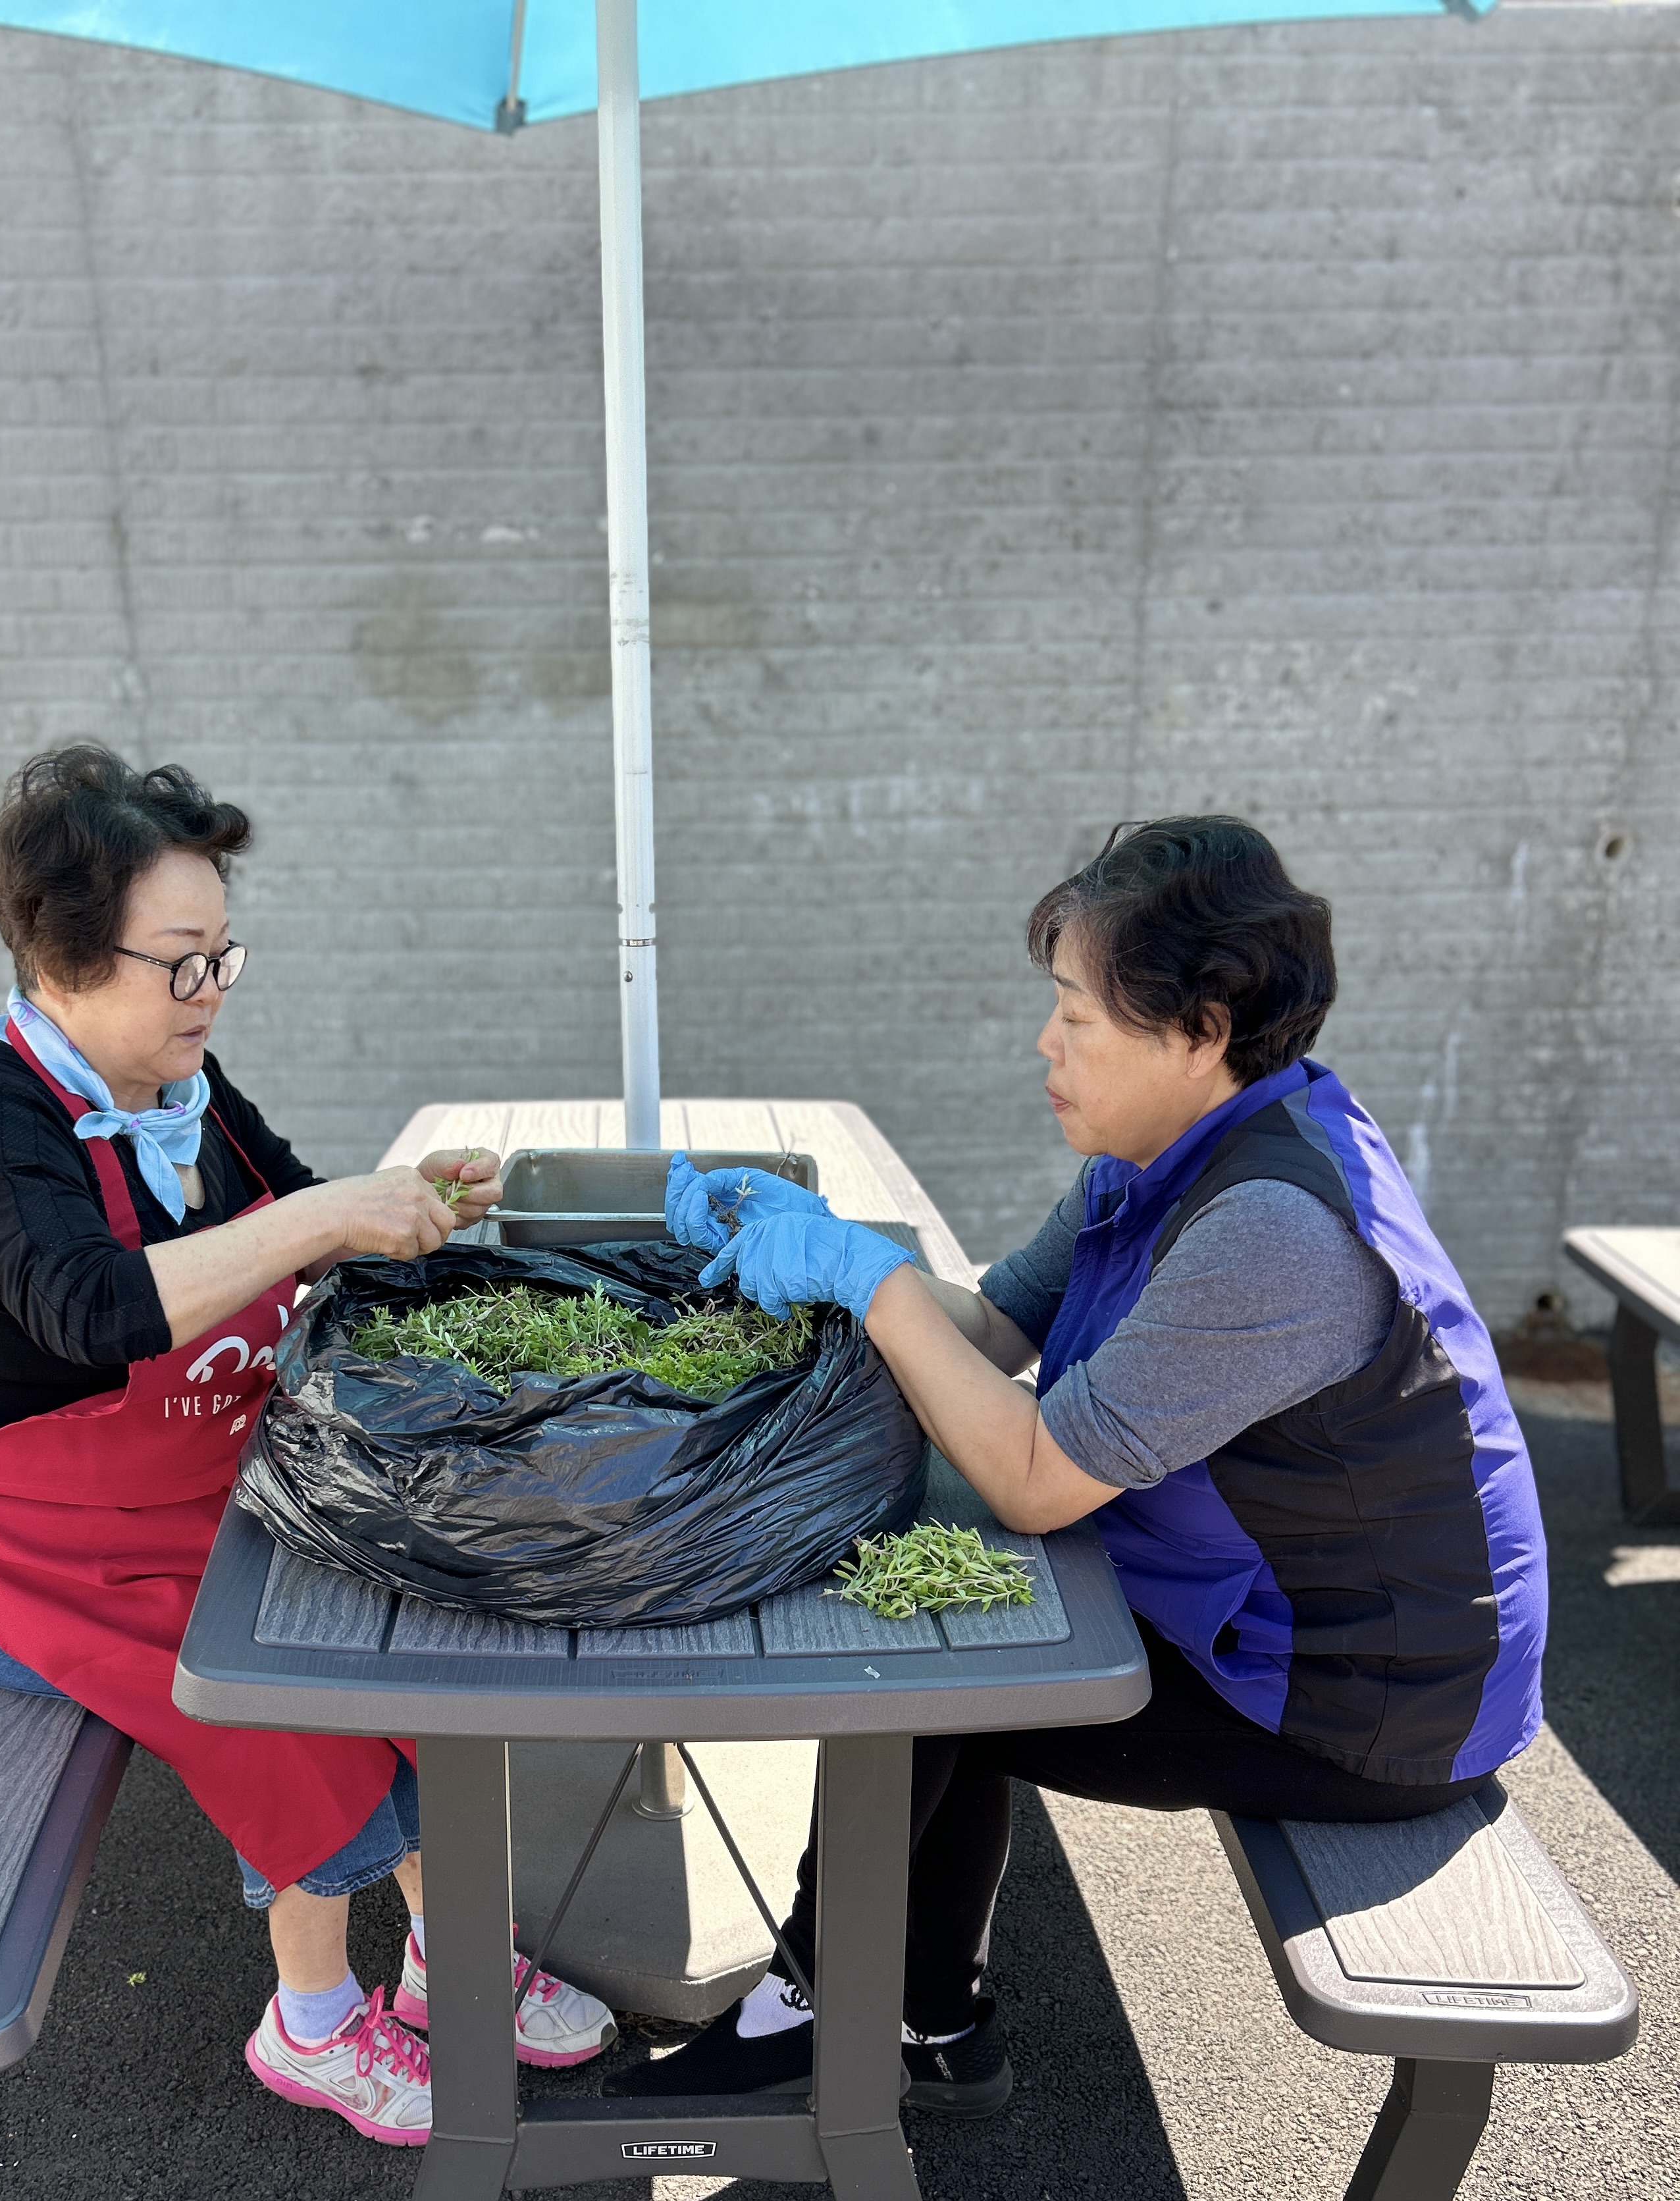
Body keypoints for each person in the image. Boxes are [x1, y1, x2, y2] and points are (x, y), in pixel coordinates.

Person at [606, 815, 1545, 2117]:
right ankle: (922, 2020)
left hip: (1366, 1700)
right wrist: (830, 1246)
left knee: (922, 1670)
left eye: (1078, 1017)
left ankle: (820, 2014)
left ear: (1202, 1030)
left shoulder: (1274, 1230)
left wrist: (872, 1285)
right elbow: (993, 1328)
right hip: (1280, 1626)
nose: (1046, 1046)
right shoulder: (1168, 1151)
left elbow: (1035, 1481)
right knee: (946, 1641)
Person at [0, 743, 614, 2148]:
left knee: (412, 1640)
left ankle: (457, 1954)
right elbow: (95, 1308)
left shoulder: (186, 1093)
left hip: (187, 1494)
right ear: (62, 956)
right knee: (289, 1696)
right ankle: (315, 2024)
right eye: (181, 964)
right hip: (21, 1558)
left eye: (223, 956)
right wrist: (327, 1216)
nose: (212, 991)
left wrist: (408, 1202)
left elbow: (295, 1203)